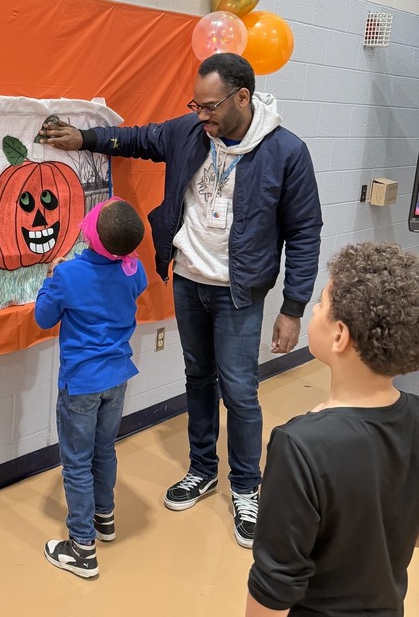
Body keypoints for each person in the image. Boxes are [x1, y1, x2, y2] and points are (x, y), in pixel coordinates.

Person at [39, 53, 322, 548]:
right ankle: (202, 469)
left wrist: (293, 308)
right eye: (197, 105)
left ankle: (245, 487)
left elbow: (304, 232)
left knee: (239, 390)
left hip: (239, 292)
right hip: (189, 282)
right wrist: (82, 138)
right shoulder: (191, 133)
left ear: (242, 97)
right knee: (198, 378)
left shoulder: (286, 152)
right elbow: (139, 138)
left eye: (210, 107)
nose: (202, 115)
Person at [215, 241, 419, 617]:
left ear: (341, 336)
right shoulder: (415, 418)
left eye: (322, 303)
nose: (316, 308)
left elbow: (276, 579)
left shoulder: (299, 447)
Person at [35, 197, 147, 579]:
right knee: (104, 450)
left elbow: (43, 318)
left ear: (92, 234)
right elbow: (131, 284)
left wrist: (52, 279)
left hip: (81, 384)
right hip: (116, 380)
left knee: (76, 463)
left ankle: (82, 547)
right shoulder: (135, 270)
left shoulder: (69, 275)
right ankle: (105, 517)